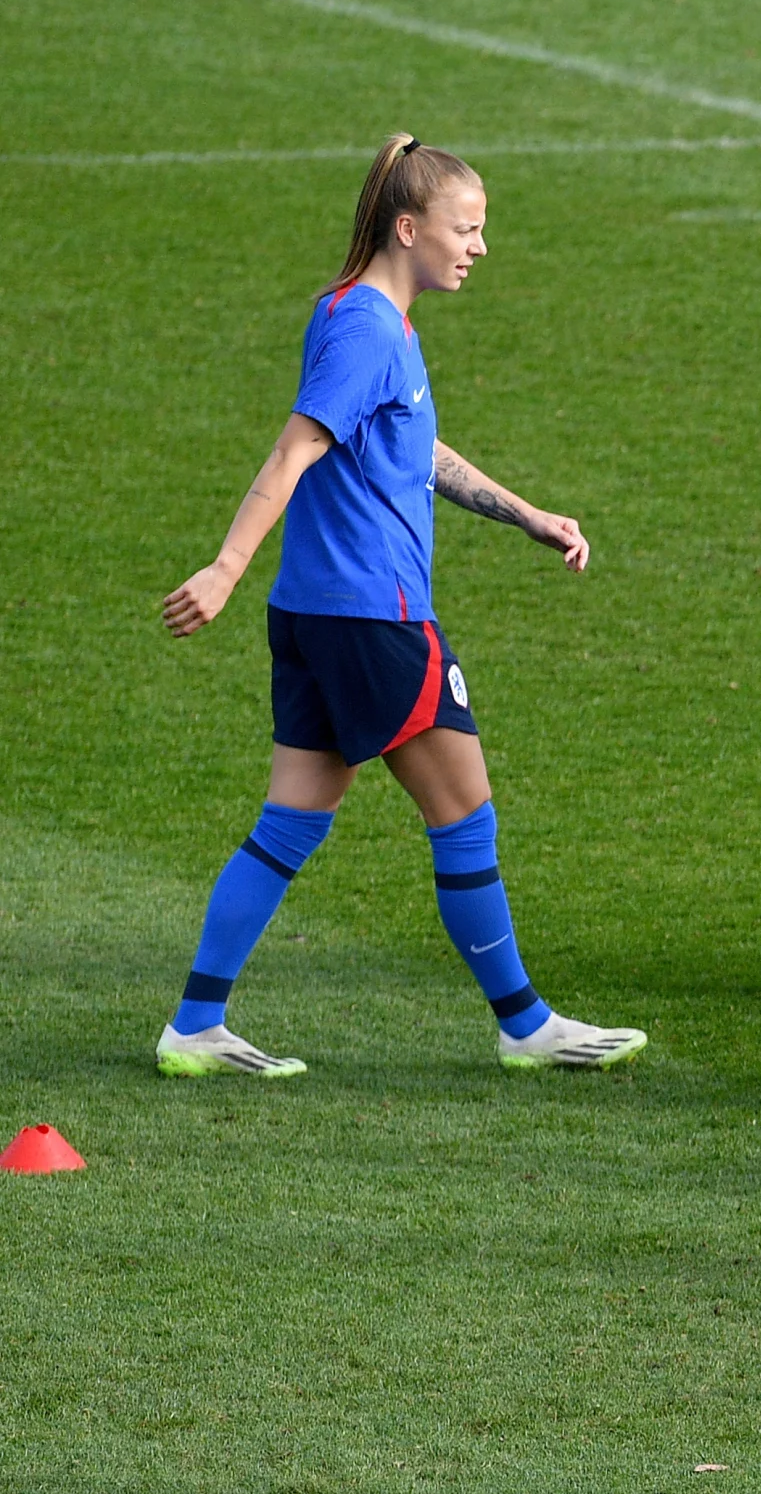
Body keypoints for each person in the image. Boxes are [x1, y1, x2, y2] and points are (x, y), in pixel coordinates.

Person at [155, 137, 647, 1079]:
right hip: (373, 619)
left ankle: (195, 1024)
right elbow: (295, 449)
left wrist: (525, 513)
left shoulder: (357, 315)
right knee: (465, 816)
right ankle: (524, 1024)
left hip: (312, 612)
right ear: (410, 228)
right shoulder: (370, 332)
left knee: (291, 823)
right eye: (468, 229)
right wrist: (224, 566)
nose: (480, 247)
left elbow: (409, 446)